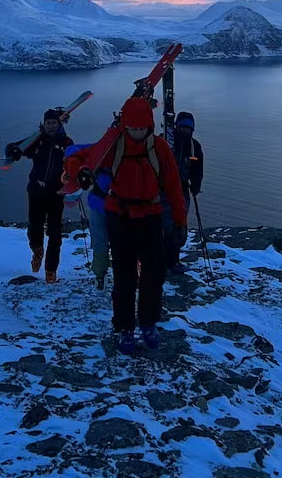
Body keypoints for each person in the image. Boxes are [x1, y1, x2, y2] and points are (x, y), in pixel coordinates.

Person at [98, 96, 186, 355]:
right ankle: (125, 328)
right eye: (132, 128)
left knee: (153, 274)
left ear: (149, 125)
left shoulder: (159, 148)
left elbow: (173, 187)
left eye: (141, 128)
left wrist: (180, 220)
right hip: (120, 217)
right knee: (124, 276)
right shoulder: (114, 145)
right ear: (125, 125)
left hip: (150, 216)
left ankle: (148, 323)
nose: (137, 133)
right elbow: (91, 164)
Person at [6, 108, 72, 283]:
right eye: (48, 123)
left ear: (59, 124)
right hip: (36, 191)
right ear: (44, 124)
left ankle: (51, 271)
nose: (51, 126)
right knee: (34, 228)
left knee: (55, 233)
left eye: (54, 123)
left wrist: (74, 177)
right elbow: (13, 147)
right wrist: (13, 152)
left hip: (56, 193)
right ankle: (37, 250)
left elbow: (76, 160)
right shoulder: (36, 141)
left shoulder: (66, 142)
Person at [64, 143, 112, 290]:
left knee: (124, 244)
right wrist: (77, 167)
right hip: (100, 205)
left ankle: (127, 276)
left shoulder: (137, 153)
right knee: (99, 243)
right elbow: (72, 150)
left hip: (123, 208)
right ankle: (99, 275)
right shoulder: (103, 148)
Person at [163, 110, 204, 277]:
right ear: (177, 127)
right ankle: (165, 261)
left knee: (177, 228)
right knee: (165, 226)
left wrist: (195, 186)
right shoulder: (165, 142)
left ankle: (172, 261)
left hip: (181, 192)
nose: (186, 131)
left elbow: (197, 170)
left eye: (188, 128)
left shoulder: (194, 147)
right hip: (164, 192)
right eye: (183, 128)